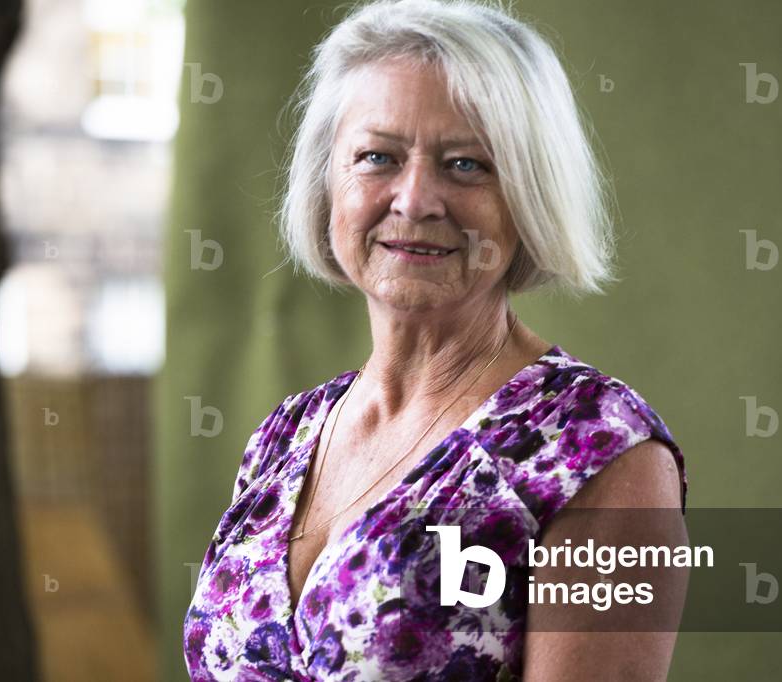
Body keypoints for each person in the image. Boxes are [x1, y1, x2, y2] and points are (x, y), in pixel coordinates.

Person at [184, 1, 689, 679]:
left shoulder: (602, 453)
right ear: (326, 183)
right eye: (376, 157)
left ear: (529, 196)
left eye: (466, 165)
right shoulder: (286, 435)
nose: (415, 199)